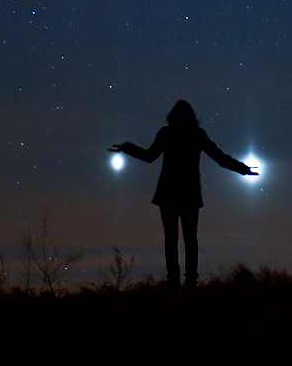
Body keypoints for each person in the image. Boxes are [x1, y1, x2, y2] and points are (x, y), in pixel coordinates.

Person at [109, 100, 258, 287]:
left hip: (169, 191)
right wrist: (243, 169)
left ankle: (174, 280)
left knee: (171, 238)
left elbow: (149, 156)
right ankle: (190, 280)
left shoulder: (167, 133)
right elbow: (219, 157)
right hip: (189, 192)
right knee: (190, 237)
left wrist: (127, 148)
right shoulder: (197, 134)